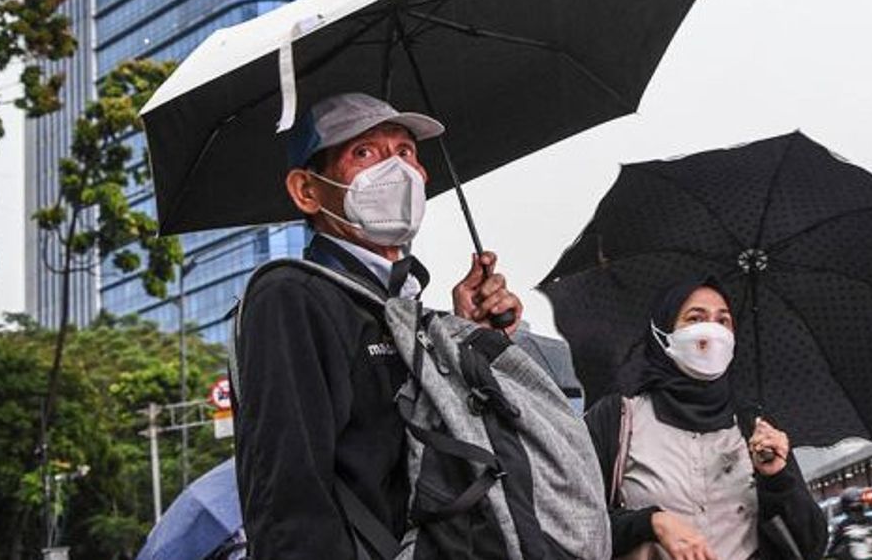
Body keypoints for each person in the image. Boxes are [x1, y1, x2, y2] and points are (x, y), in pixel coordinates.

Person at [234, 92, 524, 559]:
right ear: (306, 190)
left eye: (405, 152)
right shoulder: (292, 298)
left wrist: (469, 340)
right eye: (364, 153)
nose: (396, 171)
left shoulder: (408, 308)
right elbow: (288, 490)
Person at [584, 278, 827, 560]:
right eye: (695, 318)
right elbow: (577, 523)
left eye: (722, 321)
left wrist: (776, 478)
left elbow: (810, 546)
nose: (712, 330)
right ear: (663, 333)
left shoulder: (754, 427)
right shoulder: (619, 419)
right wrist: (651, 523)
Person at [826, 488, 872, 560]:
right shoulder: (842, 526)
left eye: (860, 508)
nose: (858, 513)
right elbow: (831, 551)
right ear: (846, 510)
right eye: (853, 509)